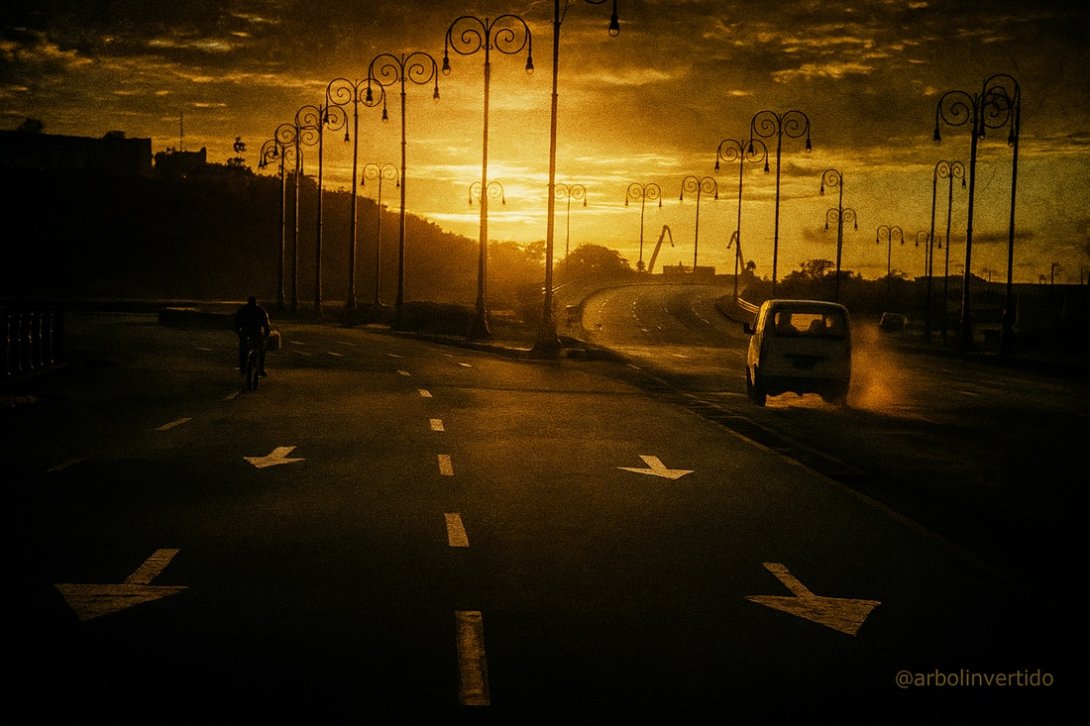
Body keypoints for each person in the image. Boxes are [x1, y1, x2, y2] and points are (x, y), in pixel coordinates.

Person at [234, 295, 271, 376]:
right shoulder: (261, 311)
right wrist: (266, 335)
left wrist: (240, 334)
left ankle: (243, 368)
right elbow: (266, 326)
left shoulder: (242, 310)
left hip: (245, 334)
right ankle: (261, 369)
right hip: (257, 334)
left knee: (243, 351)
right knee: (261, 352)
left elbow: (236, 324)